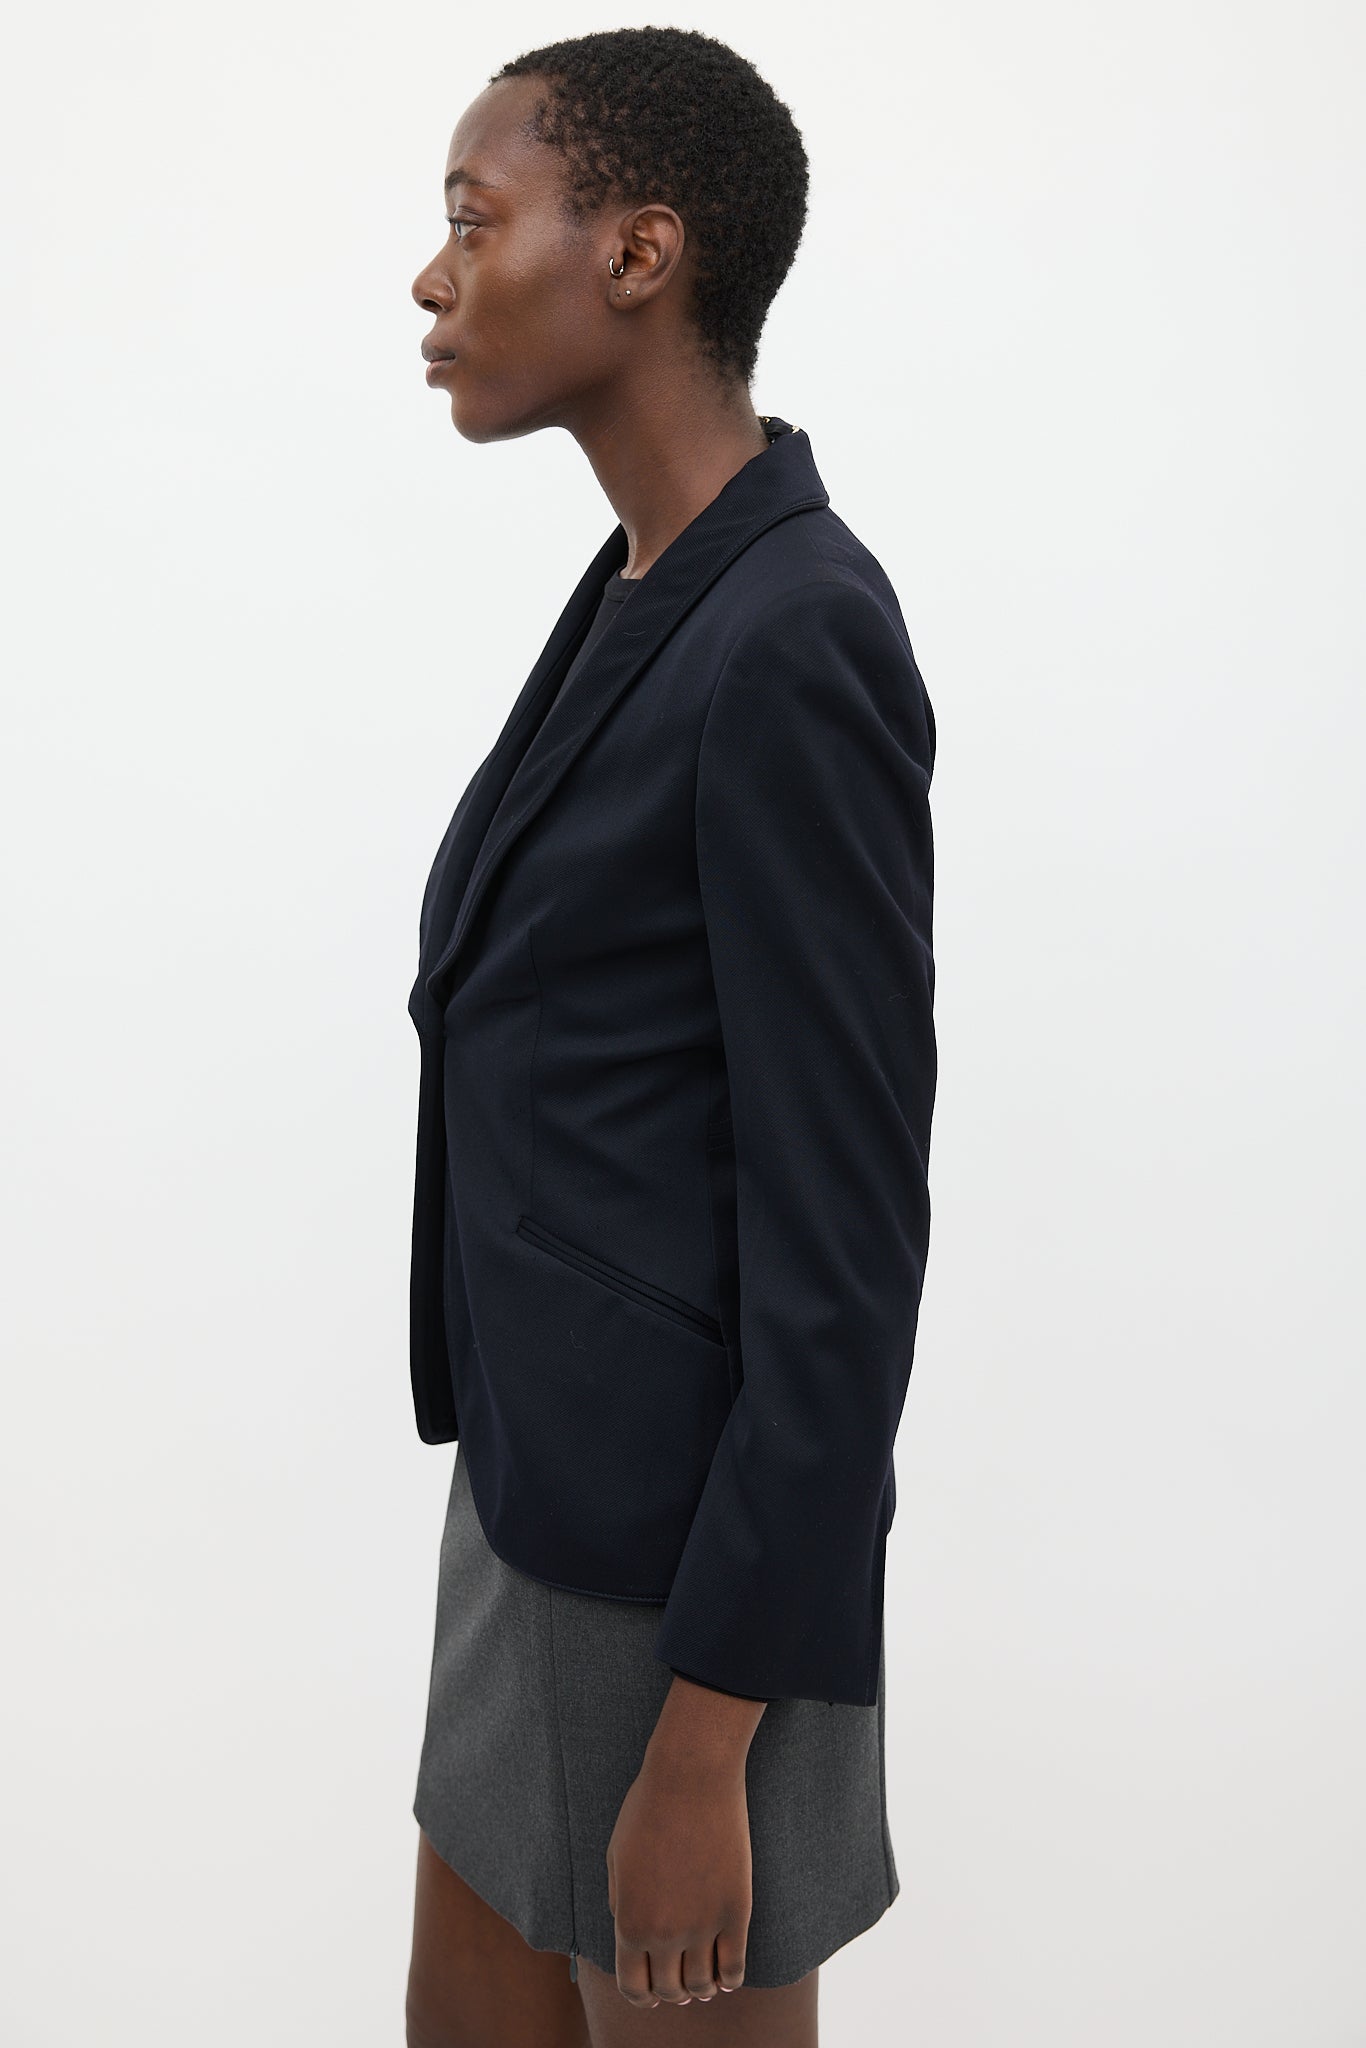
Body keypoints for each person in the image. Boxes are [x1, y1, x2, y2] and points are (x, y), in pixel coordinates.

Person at [402, 28, 938, 2048]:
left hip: (685, 1597)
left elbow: (842, 1253)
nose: (433, 276)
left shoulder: (795, 636)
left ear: (638, 253)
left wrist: (710, 1736)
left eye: (475, 222)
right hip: (533, 1507)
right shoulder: (646, 587)